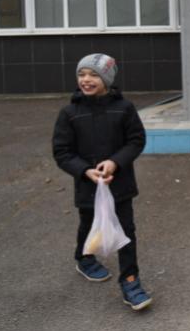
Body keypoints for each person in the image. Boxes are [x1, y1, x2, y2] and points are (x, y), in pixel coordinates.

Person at [52, 53, 153, 311]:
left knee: (126, 232)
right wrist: (85, 171)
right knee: (88, 225)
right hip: (88, 186)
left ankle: (130, 281)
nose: (86, 80)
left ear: (107, 79)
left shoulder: (124, 108)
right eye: (81, 74)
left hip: (120, 185)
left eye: (93, 75)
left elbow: (136, 141)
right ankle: (84, 258)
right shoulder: (69, 113)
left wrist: (115, 162)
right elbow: (62, 152)